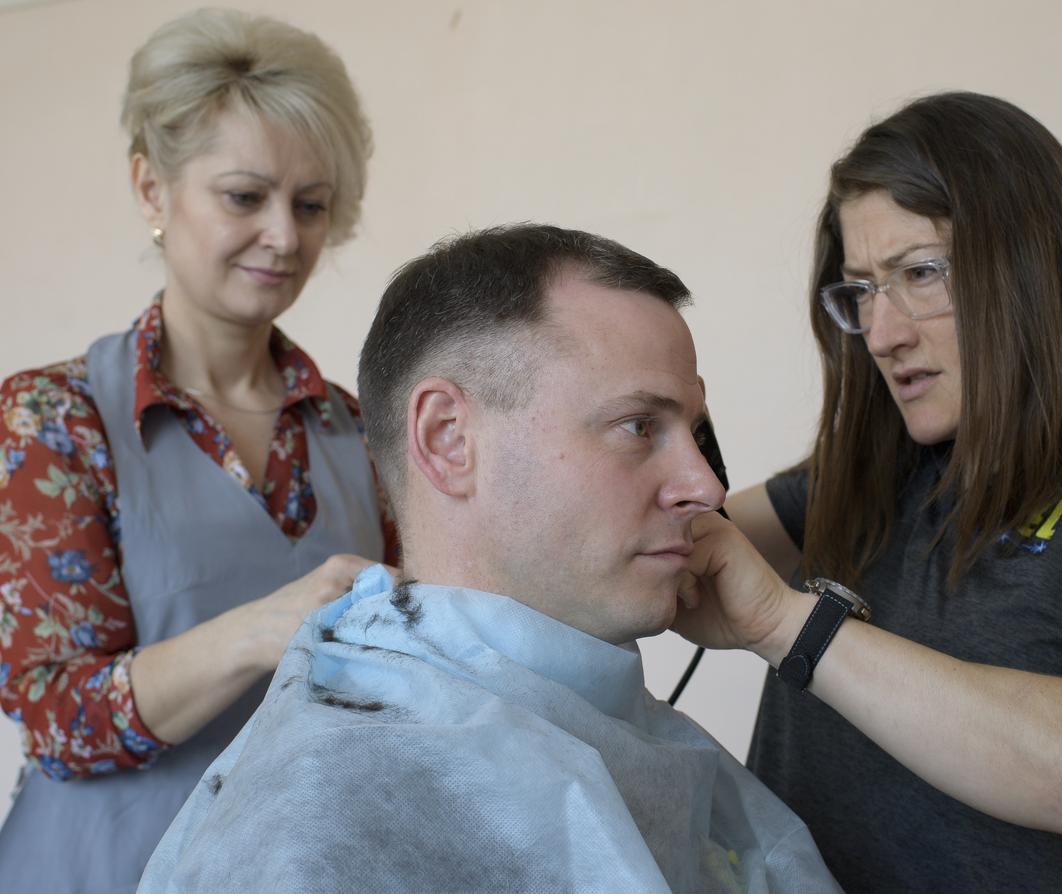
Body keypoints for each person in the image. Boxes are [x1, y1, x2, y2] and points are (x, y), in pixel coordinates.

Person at [137, 224, 839, 893]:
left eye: (694, 431)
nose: (707, 487)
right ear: (448, 440)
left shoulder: (618, 730)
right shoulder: (326, 805)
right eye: (638, 426)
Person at [673, 91, 1062, 892]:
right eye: (862, 290)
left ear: (1030, 263)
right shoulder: (888, 460)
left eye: (918, 273)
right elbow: (689, 537)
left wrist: (788, 626)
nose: (883, 333)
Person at [0, 9, 395, 891]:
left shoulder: (359, 431)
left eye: (312, 204)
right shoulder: (55, 421)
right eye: (244, 197)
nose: (285, 237)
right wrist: (262, 631)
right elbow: (63, 719)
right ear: (151, 189)